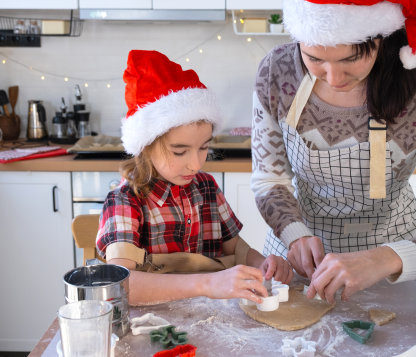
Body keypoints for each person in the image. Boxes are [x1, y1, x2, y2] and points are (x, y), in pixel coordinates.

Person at [250, 0, 416, 303]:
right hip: (294, 266)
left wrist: (383, 260)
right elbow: (268, 179)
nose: (334, 78)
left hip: (392, 269)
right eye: (314, 58)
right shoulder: (278, 70)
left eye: (350, 59)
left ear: (382, 38)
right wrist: (294, 234)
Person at [96, 50, 293, 306]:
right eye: (179, 151)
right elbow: (122, 285)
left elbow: (235, 248)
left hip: (213, 316)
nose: (195, 163)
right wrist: (208, 283)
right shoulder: (126, 200)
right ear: (145, 145)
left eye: (203, 148)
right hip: (154, 321)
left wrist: (263, 263)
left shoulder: (206, 187)